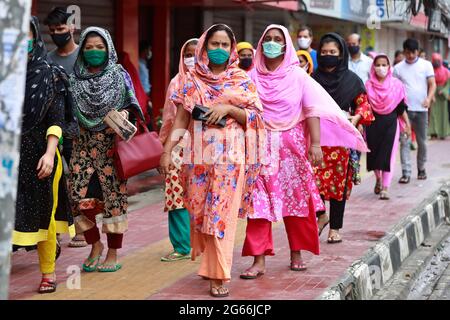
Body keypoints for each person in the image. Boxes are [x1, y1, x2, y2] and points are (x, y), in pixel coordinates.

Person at [239, 25, 368, 279]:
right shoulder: (251, 77)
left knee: (296, 203)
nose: (272, 43)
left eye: (278, 39)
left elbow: (312, 111)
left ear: (287, 46)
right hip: (259, 149)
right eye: (268, 39)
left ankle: (296, 252)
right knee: (258, 206)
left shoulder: (299, 77)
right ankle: (258, 259)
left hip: (292, 150)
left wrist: (316, 145)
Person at [160, 24, 265, 298]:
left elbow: (256, 118)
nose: (219, 50)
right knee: (200, 212)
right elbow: (181, 119)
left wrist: (229, 109)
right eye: (214, 44)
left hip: (231, 159)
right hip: (197, 159)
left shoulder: (241, 79)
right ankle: (211, 264)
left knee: (220, 214)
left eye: (224, 45)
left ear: (232, 49)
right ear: (204, 47)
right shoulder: (190, 80)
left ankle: (218, 275)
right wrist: (167, 151)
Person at [69, 27, 143, 273]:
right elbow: (67, 113)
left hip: (112, 150)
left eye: (99, 47)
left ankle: (112, 252)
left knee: (113, 202)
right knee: (78, 200)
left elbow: (133, 104)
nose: (94, 51)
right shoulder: (74, 78)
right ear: (82, 50)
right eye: (88, 47)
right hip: (81, 149)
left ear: (108, 48)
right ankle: (95, 245)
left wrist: (124, 113)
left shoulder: (118, 75)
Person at [12, 16, 76, 294]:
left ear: (34, 37)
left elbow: (57, 119)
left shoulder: (50, 74)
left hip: (40, 153)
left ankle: (48, 273)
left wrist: (51, 153)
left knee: (44, 218)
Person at [312, 33, 374, 244]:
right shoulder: (312, 79)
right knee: (313, 182)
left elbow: (364, 105)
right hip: (316, 139)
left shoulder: (352, 80)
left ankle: (335, 229)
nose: (328, 56)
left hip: (341, 141)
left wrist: (355, 118)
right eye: (324, 52)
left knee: (338, 187)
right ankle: (321, 215)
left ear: (341, 55)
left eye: (333, 52)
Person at [44, 6, 89, 248]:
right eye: (52, 31)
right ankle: (58, 227)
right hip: (56, 128)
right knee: (56, 179)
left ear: (72, 27)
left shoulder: (86, 55)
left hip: (83, 129)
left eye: (61, 29)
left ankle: (81, 229)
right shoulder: (48, 60)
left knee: (79, 180)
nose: (57, 34)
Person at [159, 38, 198, 262]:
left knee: (200, 195)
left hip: (205, 148)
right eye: (187, 54)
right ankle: (181, 245)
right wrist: (164, 149)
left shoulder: (210, 82)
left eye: (195, 53)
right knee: (176, 196)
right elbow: (168, 118)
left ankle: (200, 241)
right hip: (177, 146)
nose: (191, 58)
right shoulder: (176, 82)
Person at [366, 54, 412, 200]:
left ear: (389, 66)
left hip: (391, 124)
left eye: (384, 64)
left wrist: (407, 125)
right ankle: (378, 178)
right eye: (378, 65)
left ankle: (385, 187)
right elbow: (364, 107)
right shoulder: (367, 85)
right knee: (374, 155)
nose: (381, 68)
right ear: (373, 67)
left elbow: (401, 107)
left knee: (389, 156)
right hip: (372, 124)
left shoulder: (396, 85)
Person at [394, 38, 436, 183]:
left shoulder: (426, 65)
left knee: (422, 142)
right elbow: (395, 89)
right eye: (408, 53)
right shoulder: (398, 68)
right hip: (404, 111)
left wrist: (429, 99)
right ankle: (406, 172)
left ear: (417, 51)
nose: (411, 56)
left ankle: (421, 168)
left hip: (422, 110)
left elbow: (432, 84)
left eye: (413, 52)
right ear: (404, 52)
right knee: (404, 141)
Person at [429, 53, 450, 140]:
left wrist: (444, 90)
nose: (436, 62)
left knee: (443, 114)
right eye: (435, 60)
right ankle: (433, 133)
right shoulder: (430, 70)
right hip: (433, 93)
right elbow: (428, 83)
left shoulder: (446, 71)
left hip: (442, 96)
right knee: (433, 114)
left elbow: (449, 84)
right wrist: (431, 94)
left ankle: (443, 133)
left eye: (438, 60)